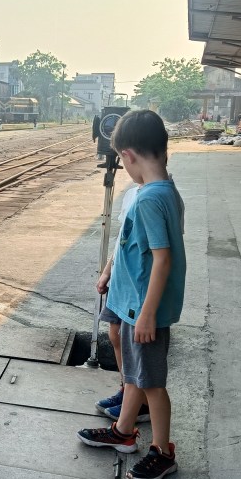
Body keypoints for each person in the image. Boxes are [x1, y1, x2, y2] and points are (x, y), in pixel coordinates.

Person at [77, 110, 186, 479]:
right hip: (132, 303)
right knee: (138, 376)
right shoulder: (164, 191)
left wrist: (147, 314)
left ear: (127, 155)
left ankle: (162, 451)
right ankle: (123, 431)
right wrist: (112, 273)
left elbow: (162, 258)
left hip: (143, 309)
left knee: (152, 383)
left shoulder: (149, 200)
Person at [94, 182, 150, 425]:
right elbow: (122, 238)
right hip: (120, 276)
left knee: (134, 345)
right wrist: (108, 270)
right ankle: (127, 390)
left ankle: (140, 403)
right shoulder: (132, 193)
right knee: (116, 335)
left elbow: (163, 254)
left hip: (137, 282)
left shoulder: (159, 197)